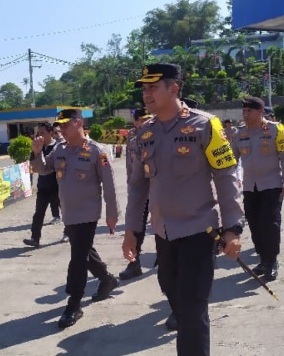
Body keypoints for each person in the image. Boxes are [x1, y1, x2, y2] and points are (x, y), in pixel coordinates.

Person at [123, 63, 245, 356]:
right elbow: (138, 186)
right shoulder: (145, 133)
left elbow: (227, 177)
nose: (146, 94)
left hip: (198, 230)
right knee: (171, 290)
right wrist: (131, 232)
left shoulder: (206, 125)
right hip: (164, 233)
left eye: (152, 87)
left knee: (191, 308)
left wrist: (233, 229)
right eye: (144, 88)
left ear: (174, 89)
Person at [31, 108, 120, 328]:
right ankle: (107, 279)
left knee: (78, 257)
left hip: (88, 213)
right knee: (84, 250)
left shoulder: (95, 150)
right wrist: (37, 151)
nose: (61, 129)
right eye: (59, 125)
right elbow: (42, 169)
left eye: (66, 124)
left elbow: (109, 186)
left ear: (79, 123)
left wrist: (112, 214)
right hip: (68, 212)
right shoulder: (59, 150)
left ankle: (74, 302)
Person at [231, 96, 284, 280]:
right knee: (254, 223)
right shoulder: (239, 133)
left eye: (249, 111)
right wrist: (233, 182)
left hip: (271, 184)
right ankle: (263, 259)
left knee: (269, 223)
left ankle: (271, 261)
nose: (245, 114)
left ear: (260, 112)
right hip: (249, 186)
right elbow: (232, 161)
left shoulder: (275, 130)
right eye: (244, 111)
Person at [119, 107, 153, 280]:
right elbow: (129, 163)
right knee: (136, 226)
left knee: (163, 225)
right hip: (140, 189)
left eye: (145, 119)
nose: (142, 122)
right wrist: (130, 182)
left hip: (158, 188)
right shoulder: (132, 136)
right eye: (139, 120)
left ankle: (164, 257)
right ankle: (134, 263)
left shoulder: (157, 132)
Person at [24, 122, 64, 247]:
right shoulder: (38, 147)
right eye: (38, 133)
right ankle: (35, 238)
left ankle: (68, 232)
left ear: (50, 133)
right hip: (43, 186)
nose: (40, 136)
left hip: (57, 186)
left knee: (66, 212)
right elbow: (34, 165)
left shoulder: (58, 147)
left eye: (43, 133)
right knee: (38, 213)